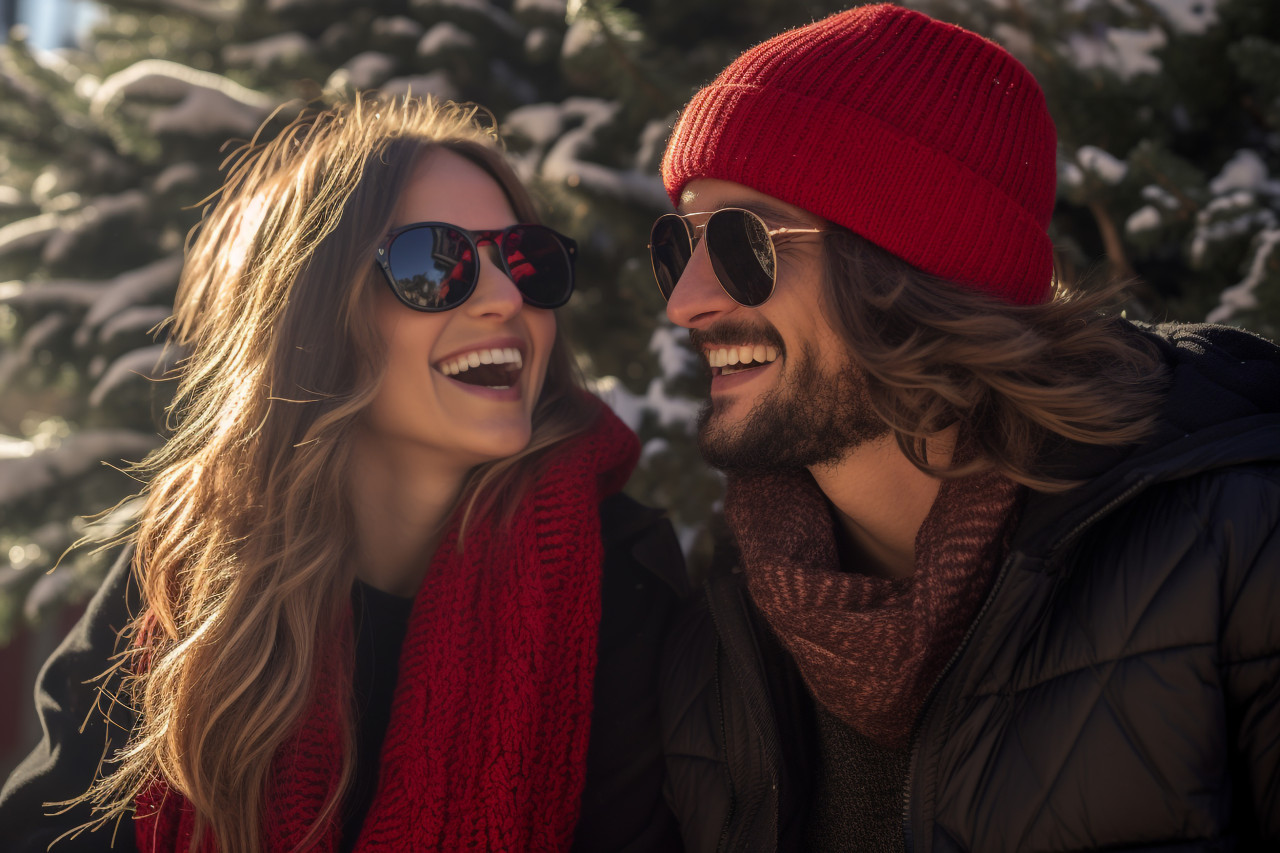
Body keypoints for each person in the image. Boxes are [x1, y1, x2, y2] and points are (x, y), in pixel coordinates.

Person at [652, 5, 1280, 852]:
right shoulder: (717, 642)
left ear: (910, 267)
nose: (684, 302)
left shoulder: (1236, 547)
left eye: (741, 243)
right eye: (677, 244)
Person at [0, 95, 685, 852]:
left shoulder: (618, 572)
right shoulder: (195, 561)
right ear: (317, 313)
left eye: (524, 259)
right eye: (436, 262)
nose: (504, 297)